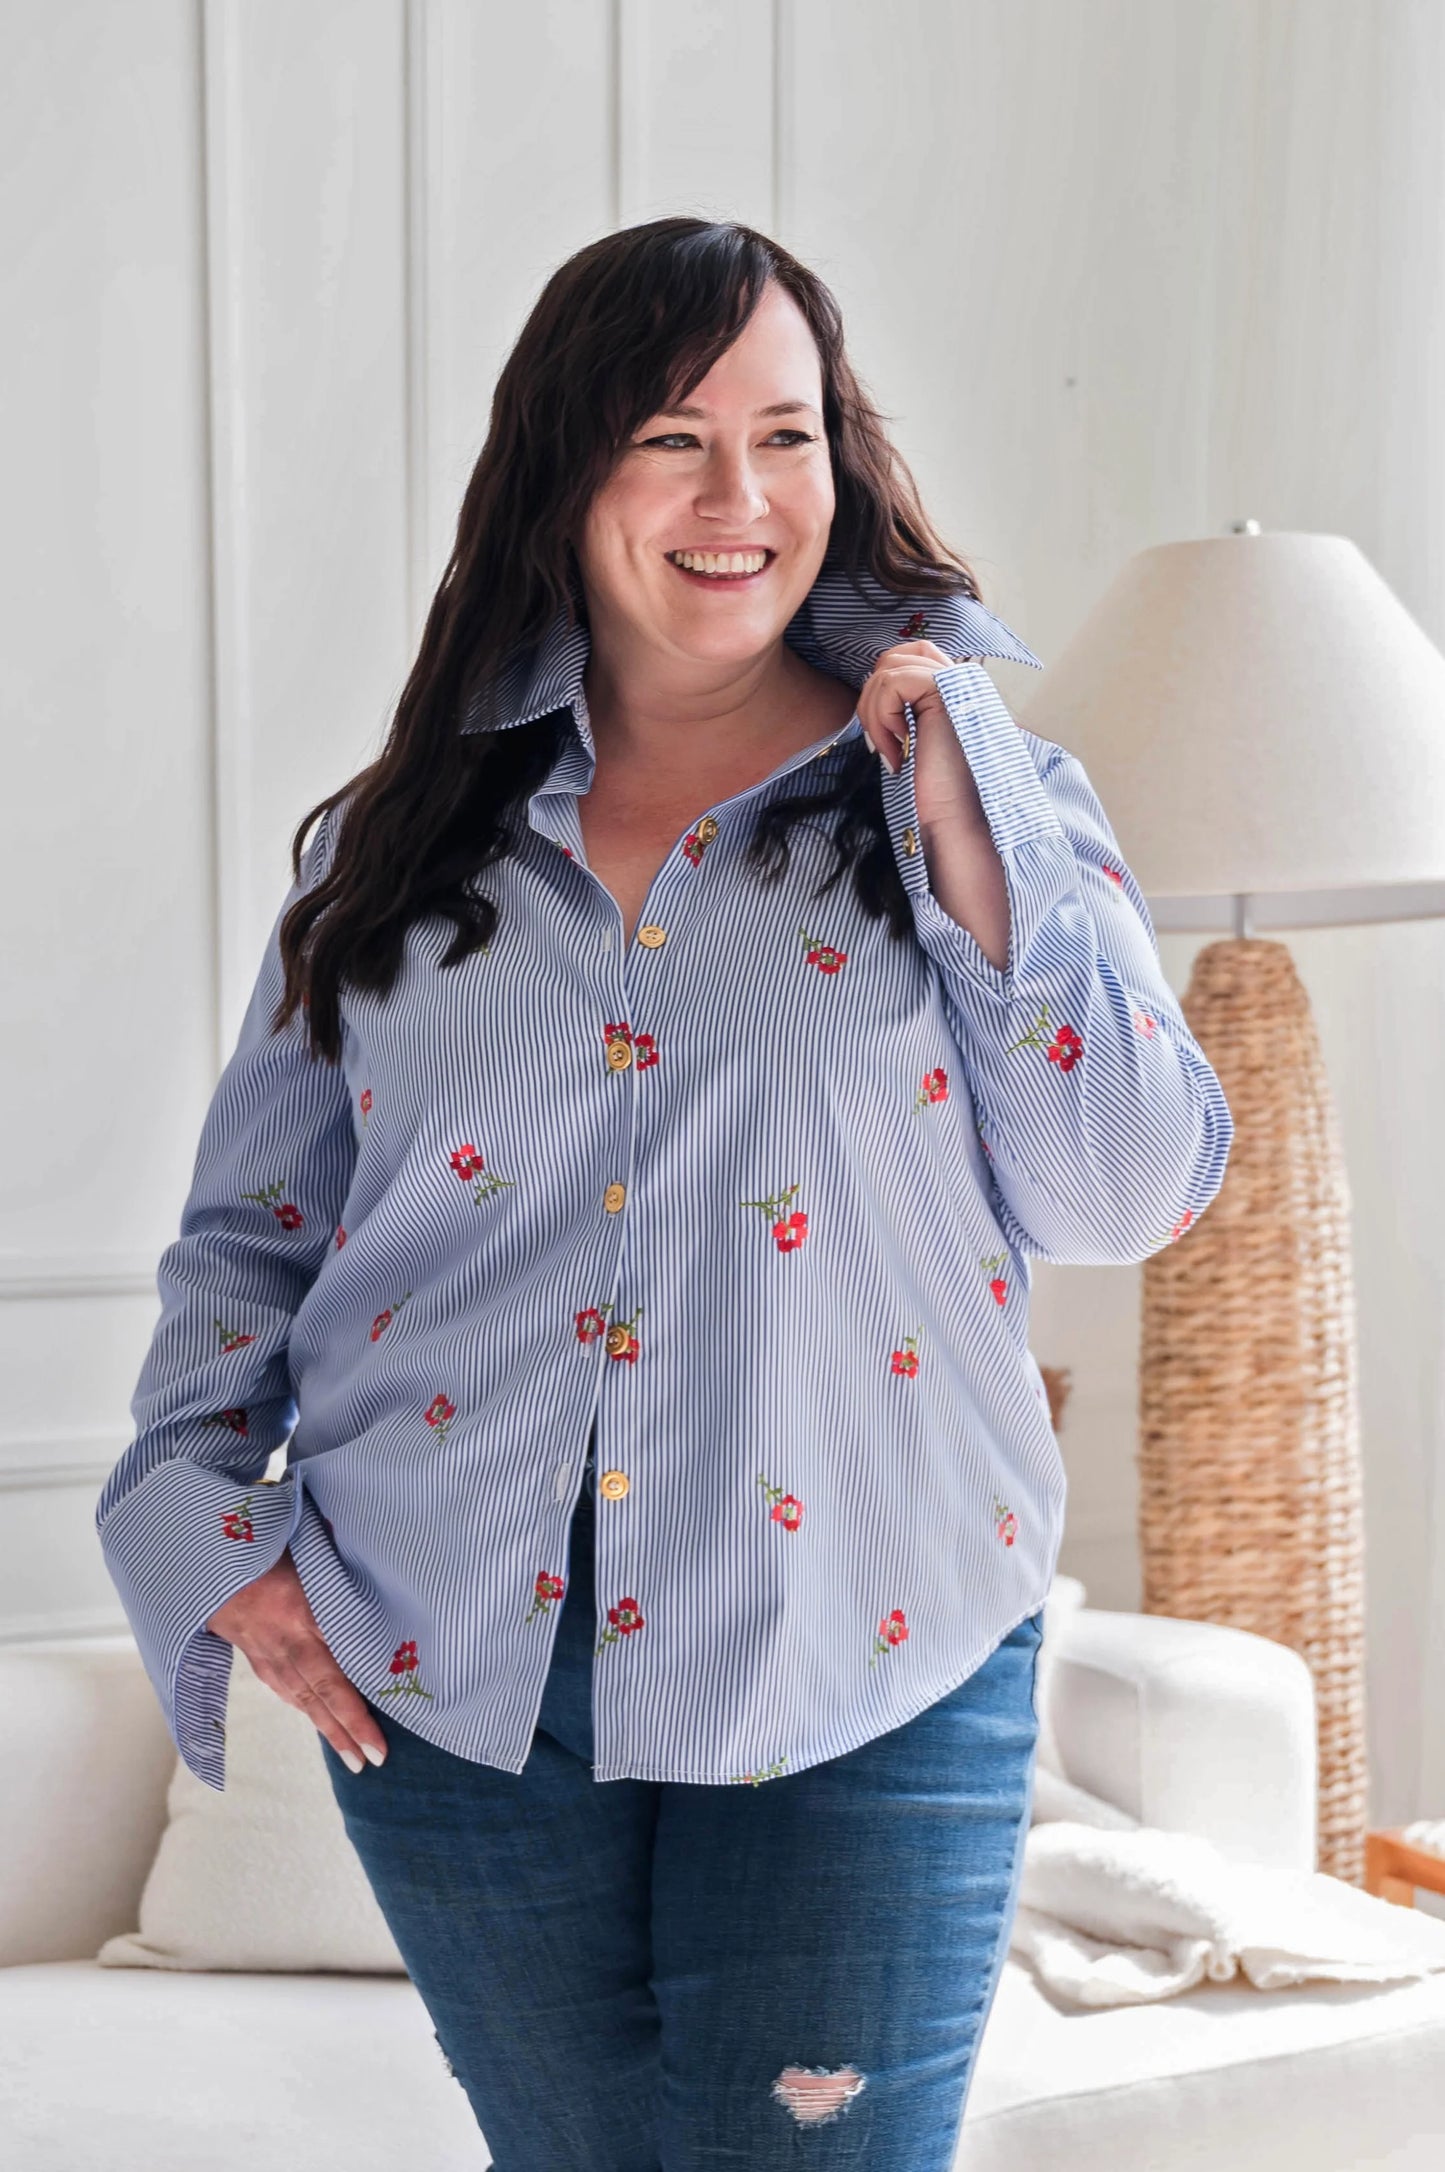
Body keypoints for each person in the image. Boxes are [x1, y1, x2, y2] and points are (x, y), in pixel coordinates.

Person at [96, 216, 1233, 2167]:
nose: (740, 498)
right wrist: (212, 1531)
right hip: (459, 1677)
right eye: (671, 439)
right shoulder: (394, 856)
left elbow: (1126, 1183)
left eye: (785, 437)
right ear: (565, 471)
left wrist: (964, 803)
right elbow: (250, 1242)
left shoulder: (969, 797)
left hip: (866, 1642)